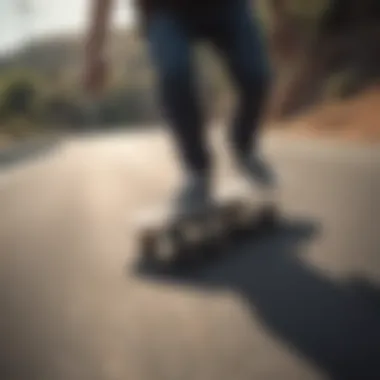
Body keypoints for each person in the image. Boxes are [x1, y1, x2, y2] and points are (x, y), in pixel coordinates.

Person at [84, 0, 276, 213]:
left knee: (257, 75)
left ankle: (244, 144)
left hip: (227, 6)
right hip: (165, 12)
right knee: (175, 75)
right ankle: (197, 170)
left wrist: (281, 15)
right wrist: (95, 54)